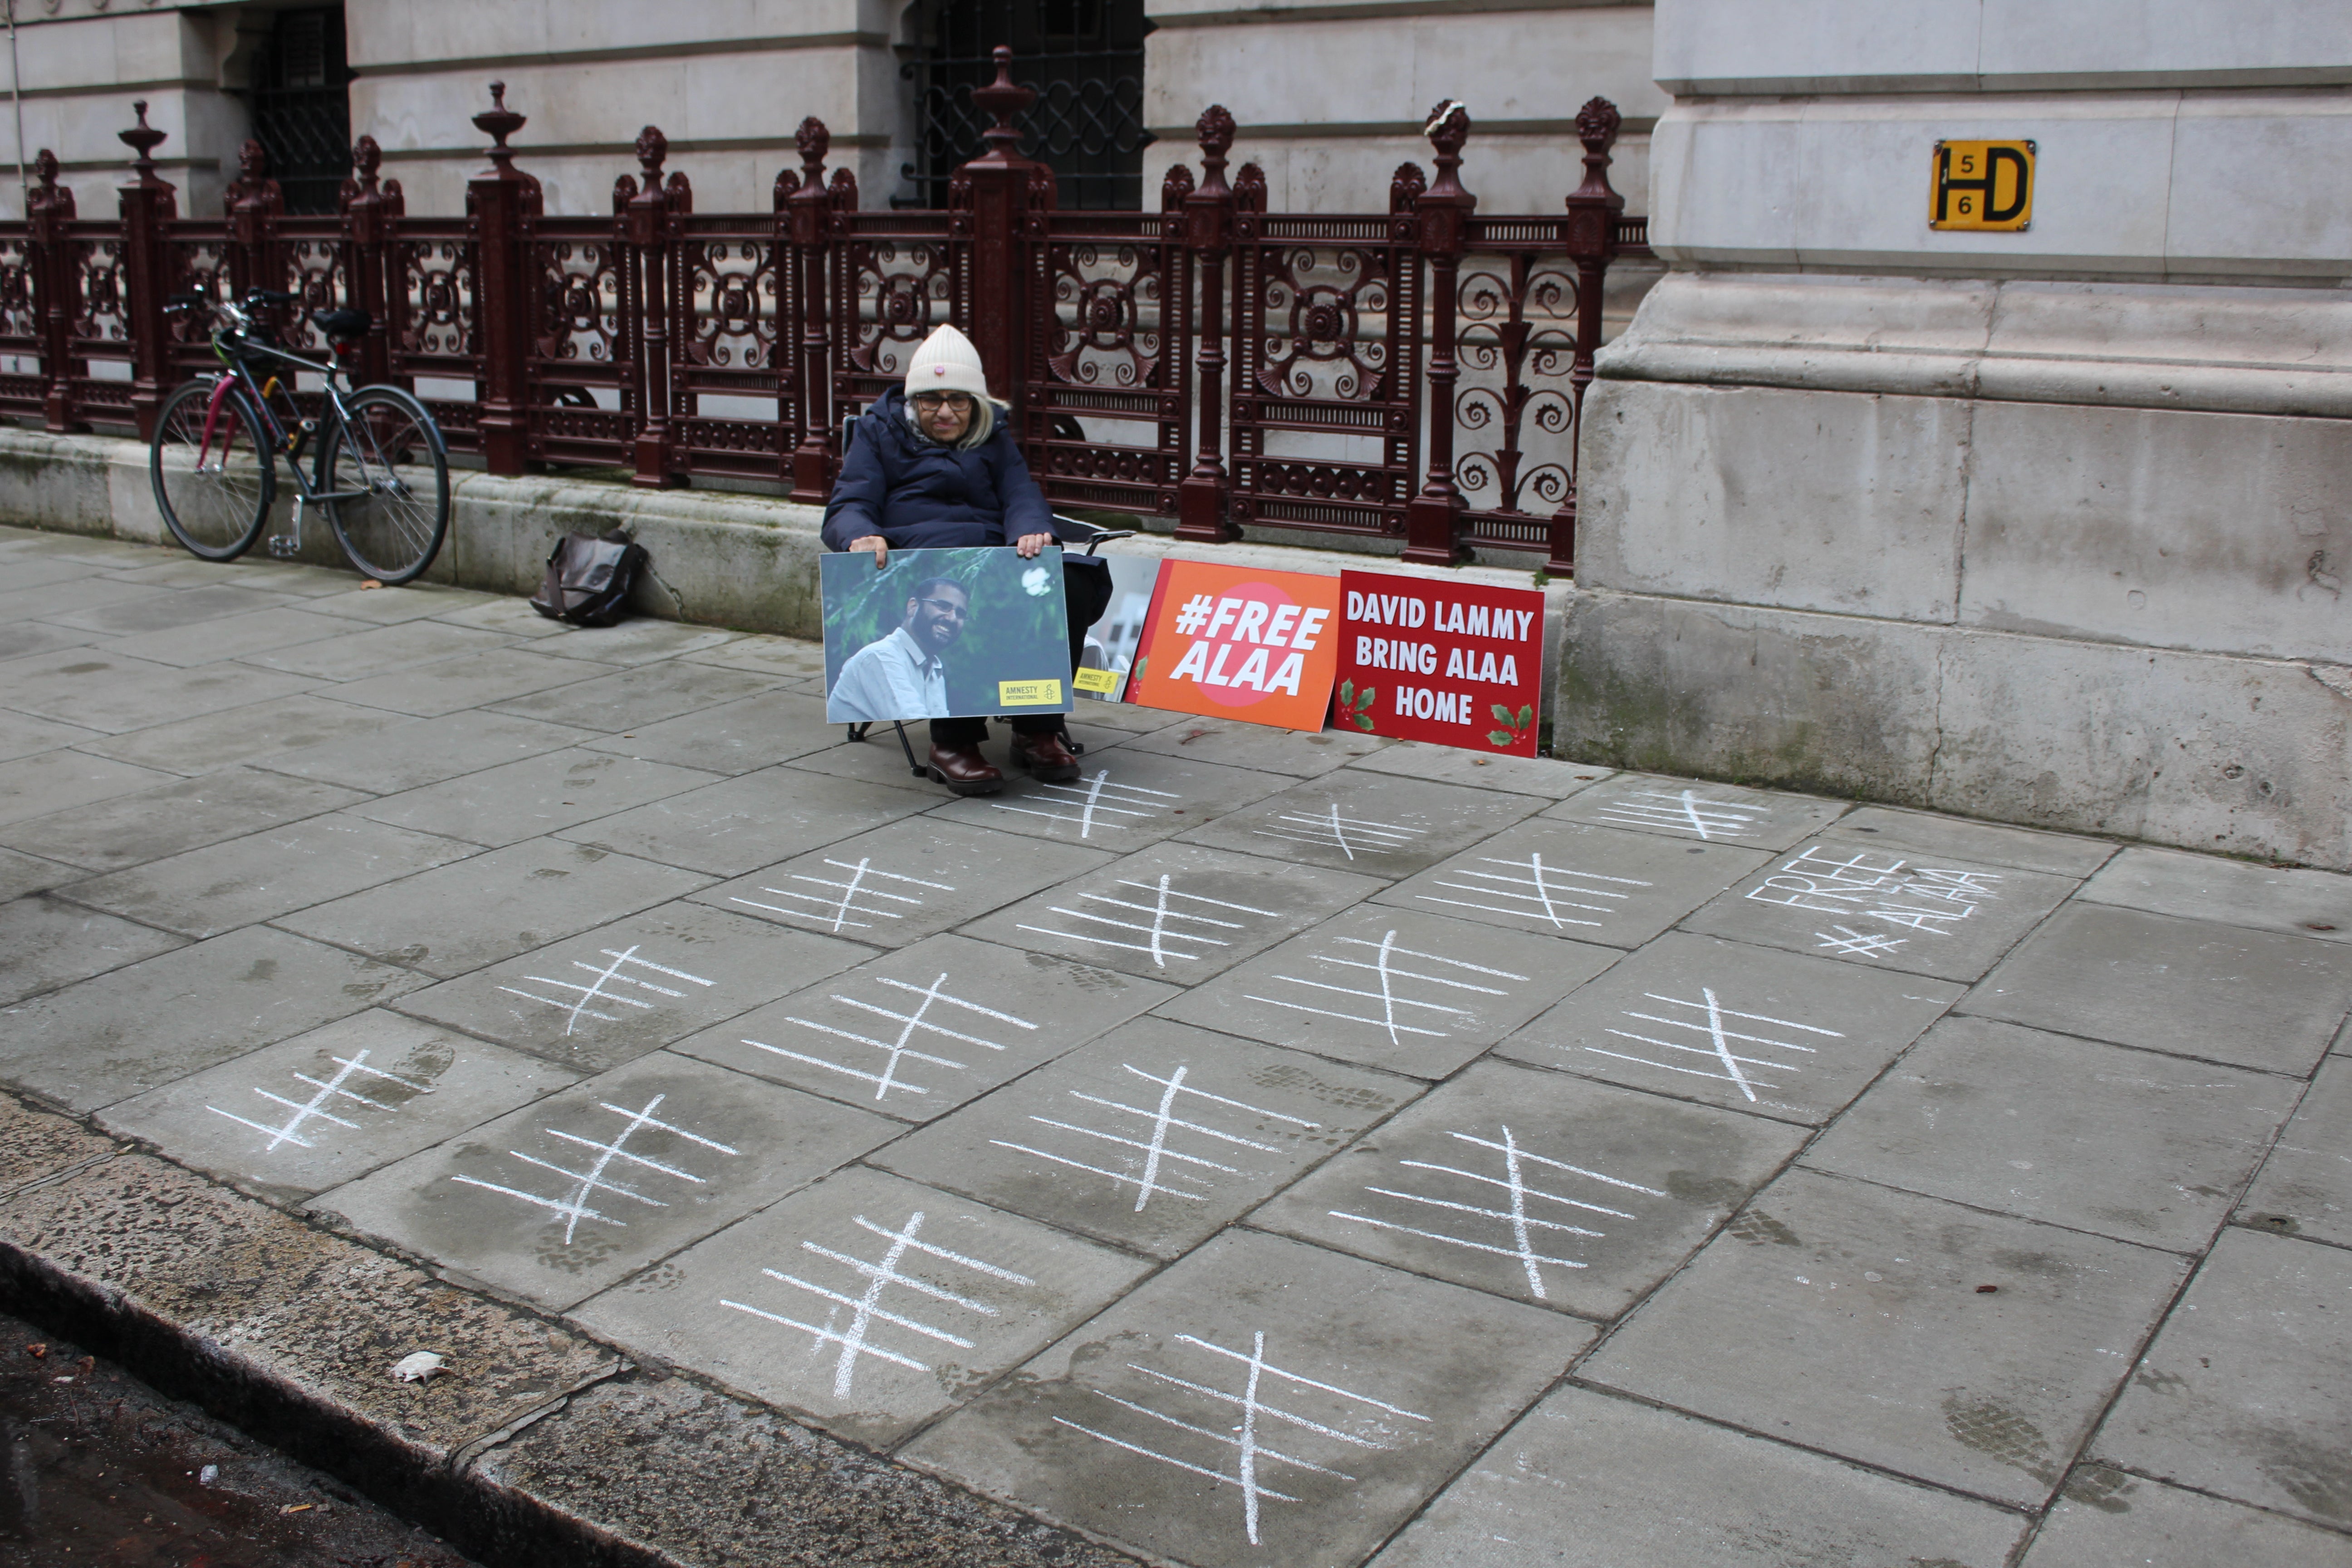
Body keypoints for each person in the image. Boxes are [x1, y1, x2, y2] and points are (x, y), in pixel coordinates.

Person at [822, 323, 1093, 796]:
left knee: (1073, 584)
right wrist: (860, 535)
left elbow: (1019, 493)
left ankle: (1037, 727)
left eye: (959, 401)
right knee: (956, 602)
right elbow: (850, 504)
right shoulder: (878, 433)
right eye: (932, 400)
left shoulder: (992, 436)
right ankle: (953, 742)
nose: (945, 412)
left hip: (992, 550)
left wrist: (1030, 528)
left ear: (976, 404)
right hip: (922, 558)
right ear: (913, 401)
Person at [828, 575, 968, 723]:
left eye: (961, 614)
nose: (952, 618)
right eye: (943, 606)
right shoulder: (881, 658)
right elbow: (915, 726)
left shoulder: (934, 669)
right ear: (913, 607)